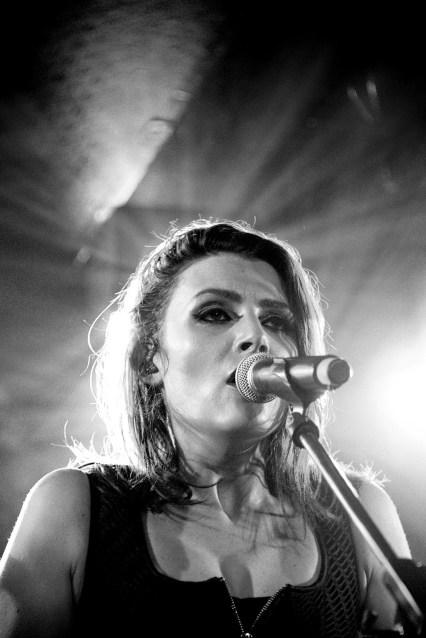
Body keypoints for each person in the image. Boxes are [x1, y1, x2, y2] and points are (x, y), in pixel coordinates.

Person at [0, 218, 414, 637]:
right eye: (215, 313)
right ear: (148, 360)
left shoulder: (361, 515)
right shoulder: (74, 508)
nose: (256, 336)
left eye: (275, 321)